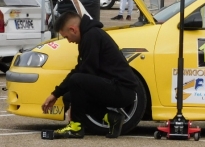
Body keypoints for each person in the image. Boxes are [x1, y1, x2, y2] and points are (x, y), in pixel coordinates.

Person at [41, 11, 138, 139]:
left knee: (76, 81)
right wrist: (56, 94)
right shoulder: (89, 35)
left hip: (123, 90)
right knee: (69, 96)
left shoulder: (91, 36)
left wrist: (74, 112)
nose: (69, 41)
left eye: (66, 37)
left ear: (73, 29)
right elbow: (80, 69)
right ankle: (111, 118)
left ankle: (76, 127)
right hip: (116, 87)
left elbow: (85, 73)